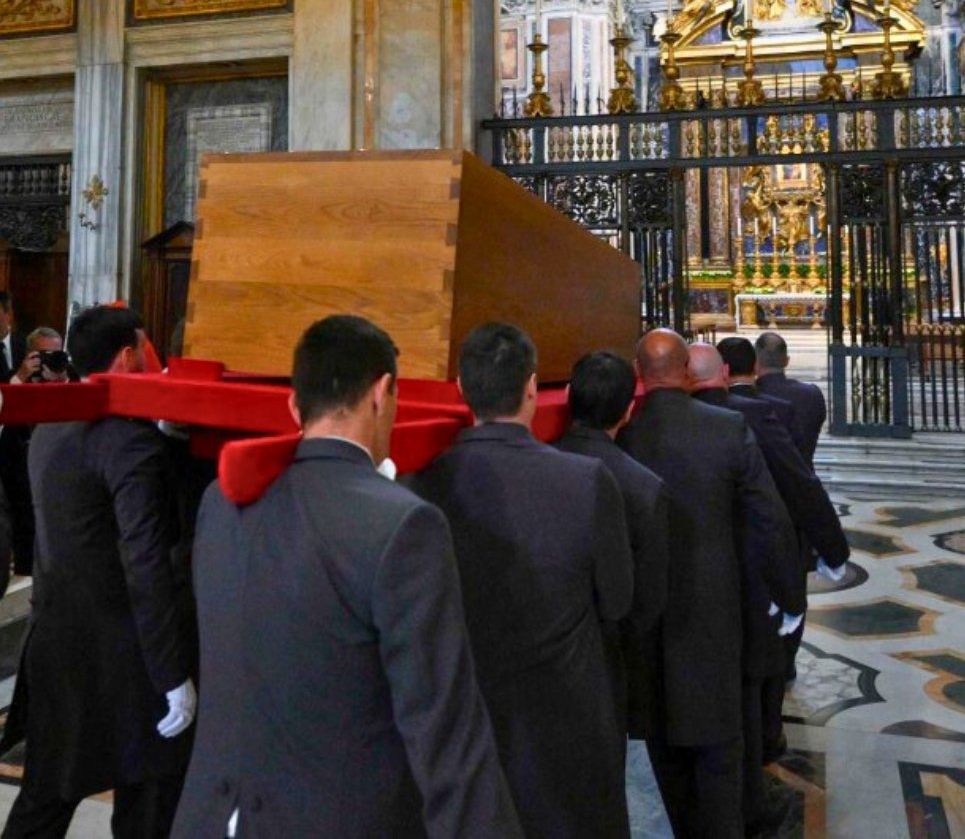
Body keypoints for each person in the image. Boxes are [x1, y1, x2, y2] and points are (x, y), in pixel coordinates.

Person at [173, 313, 519, 838]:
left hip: (212, 817)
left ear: (294, 404)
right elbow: (445, 731)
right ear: (382, 393)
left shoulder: (221, 500)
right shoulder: (404, 523)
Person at [409, 323, 634, 839]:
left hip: (472, 715)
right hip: (569, 711)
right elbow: (618, 601)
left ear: (462, 390)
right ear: (532, 387)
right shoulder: (585, 480)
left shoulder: (426, 480)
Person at [2, 305, 196, 839]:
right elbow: (145, 562)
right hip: (124, 659)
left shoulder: (53, 421)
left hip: (57, 644)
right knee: (147, 805)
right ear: (130, 355)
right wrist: (171, 673)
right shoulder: (129, 442)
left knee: (44, 800)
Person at [619, 329, 803, 839]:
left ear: (639, 375)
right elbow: (770, 521)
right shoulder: (726, 430)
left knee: (663, 745)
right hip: (715, 617)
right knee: (721, 750)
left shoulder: (623, 437)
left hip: (646, 623)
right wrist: (789, 599)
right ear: (685, 372)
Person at [698, 340, 848, 816]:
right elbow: (801, 479)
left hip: (731, 548)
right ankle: (768, 719)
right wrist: (832, 547)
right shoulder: (794, 404)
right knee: (776, 623)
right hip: (782, 533)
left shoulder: (729, 415)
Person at [557, 350, 669, 737]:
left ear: (570, 394)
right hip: (611, 654)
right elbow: (649, 598)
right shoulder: (643, 486)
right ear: (627, 411)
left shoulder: (541, 465)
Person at [2, 326, 71, 575]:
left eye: (56, 353)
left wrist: (61, 380)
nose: (50, 360)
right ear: (30, 355)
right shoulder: (14, 379)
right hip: (18, 480)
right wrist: (20, 377)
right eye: (43, 355)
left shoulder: (68, 380)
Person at [754, 330, 828, 465]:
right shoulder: (812, 394)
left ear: (755, 363)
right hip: (804, 476)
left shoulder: (749, 397)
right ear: (787, 361)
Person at [0, 295, 28, 574]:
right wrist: (18, 377)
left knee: (21, 508)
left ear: (8, 314)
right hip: (1, 444)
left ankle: (23, 564)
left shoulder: (25, 345)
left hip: (23, 442)